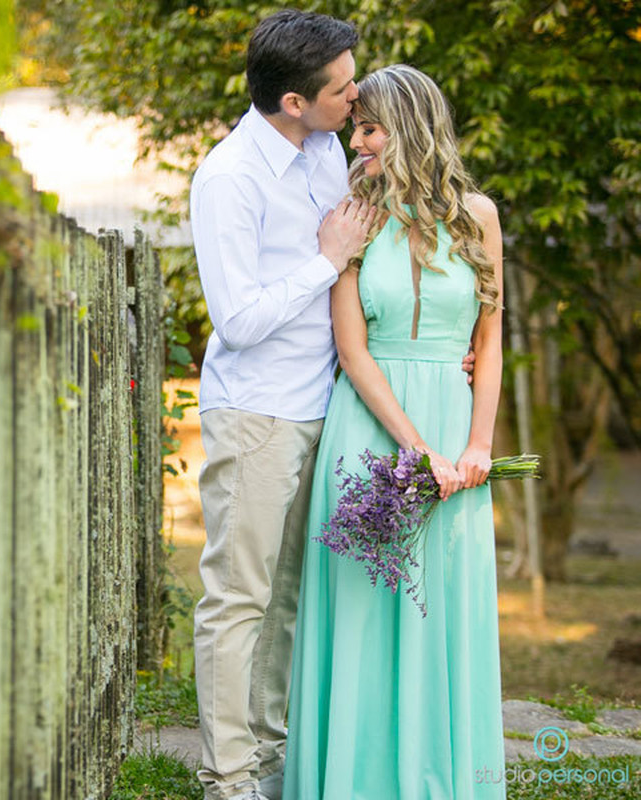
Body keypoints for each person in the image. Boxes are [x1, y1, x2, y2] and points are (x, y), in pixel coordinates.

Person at [282, 64, 506, 799]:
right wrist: (418, 451)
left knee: (443, 604)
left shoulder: (479, 215)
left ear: (408, 129)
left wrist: (477, 446)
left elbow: (490, 340)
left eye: (370, 129)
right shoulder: (354, 219)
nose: (357, 143)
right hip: (371, 428)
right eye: (356, 129)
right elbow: (353, 351)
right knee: (362, 608)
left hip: (456, 433)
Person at [189, 10, 376, 800]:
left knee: (286, 600)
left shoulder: (331, 150)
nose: (356, 94)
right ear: (294, 101)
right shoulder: (229, 178)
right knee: (239, 599)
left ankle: (268, 762)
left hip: (326, 406)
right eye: (342, 87)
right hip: (258, 413)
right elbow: (236, 319)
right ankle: (228, 779)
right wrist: (324, 260)